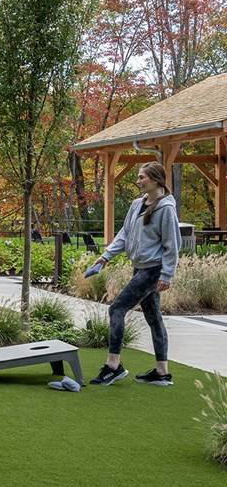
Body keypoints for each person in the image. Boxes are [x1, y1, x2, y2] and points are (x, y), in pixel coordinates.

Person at [85, 161, 178, 387]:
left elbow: (172, 244)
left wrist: (167, 274)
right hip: (140, 267)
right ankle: (161, 372)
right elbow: (124, 234)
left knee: (116, 309)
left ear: (155, 180)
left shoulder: (166, 209)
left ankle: (113, 366)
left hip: (153, 270)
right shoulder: (137, 204)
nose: (138, 181)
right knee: (154, 318)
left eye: (142, 177)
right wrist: (104, 257)